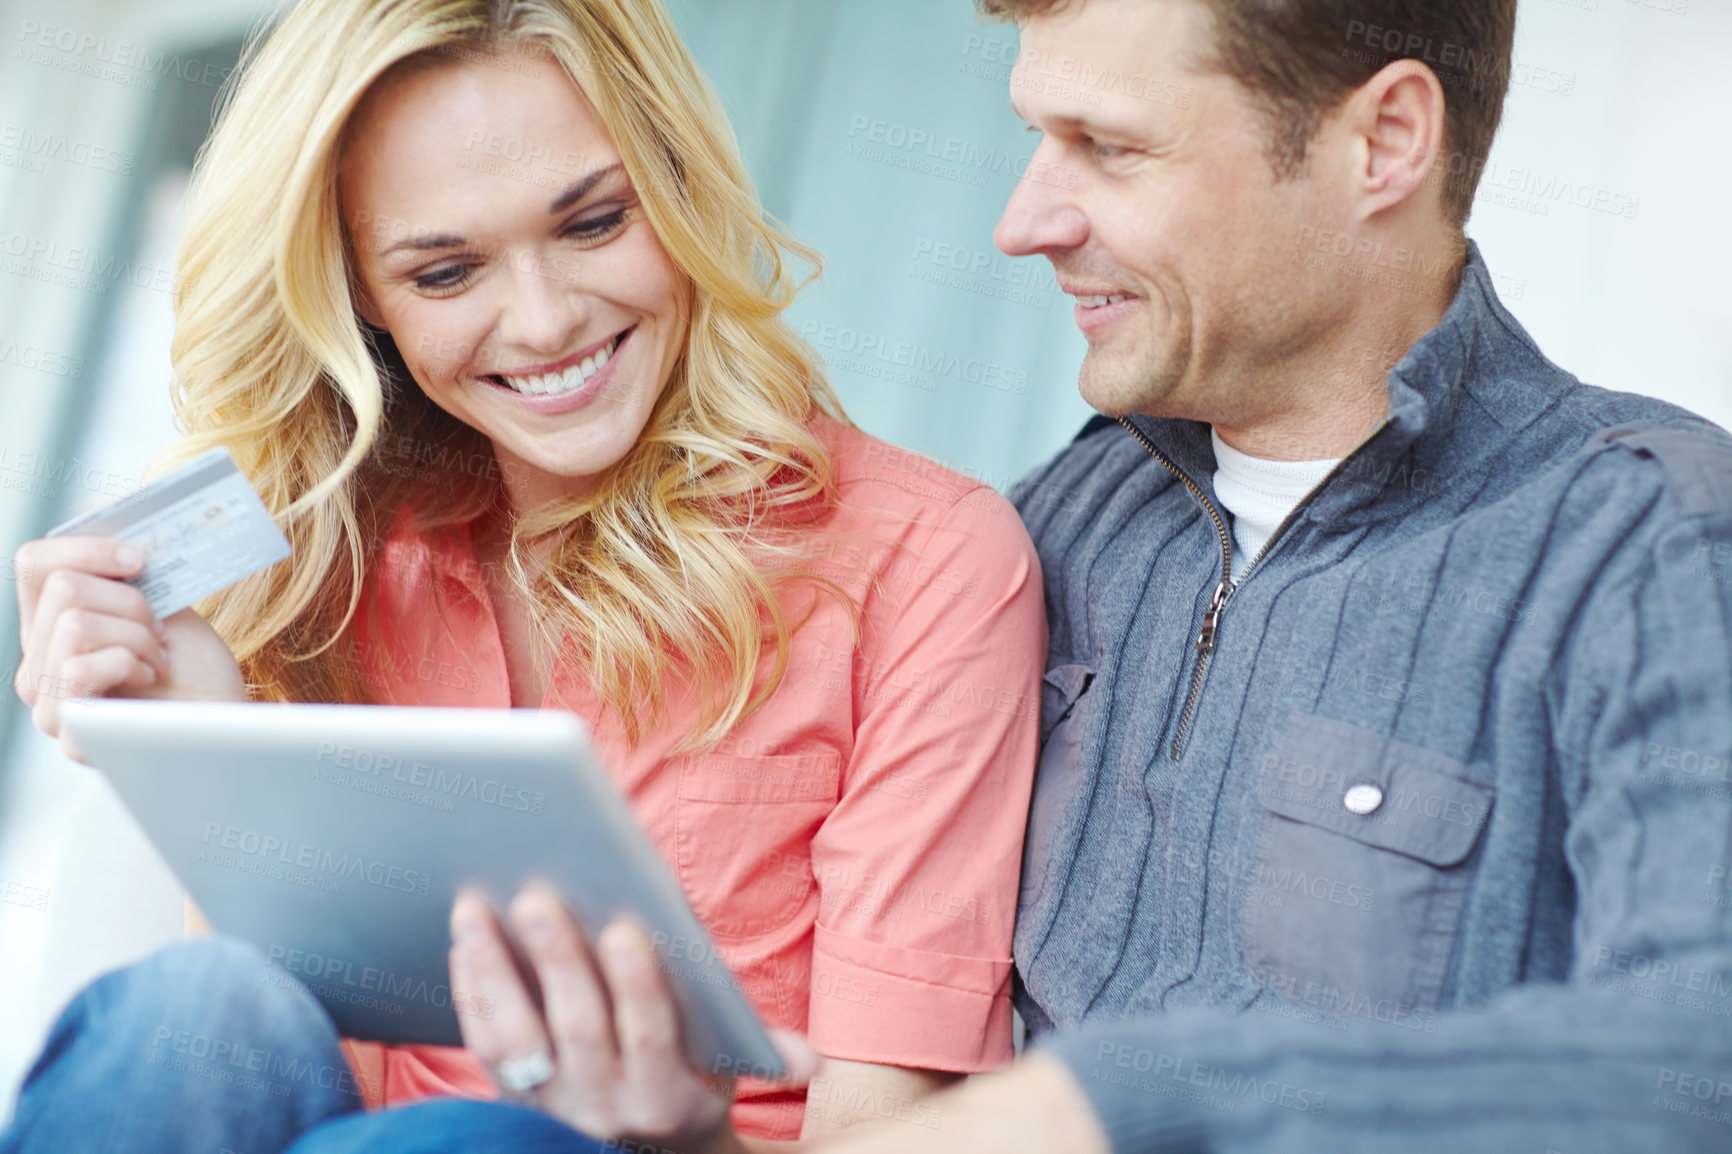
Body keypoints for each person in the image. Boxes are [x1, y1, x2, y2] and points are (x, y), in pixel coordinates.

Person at [1, 0, 1046, 1150]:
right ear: (363, 301)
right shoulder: (347, 552)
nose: (546, 321)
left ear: (679, 186)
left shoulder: (924, 560)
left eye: (594, 222)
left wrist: (679, 1135)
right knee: (187, 1008)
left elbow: (885, 1137)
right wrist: (210, 740)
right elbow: (262, 1080)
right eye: (446, 272)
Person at [797, 0, 1732, 1151]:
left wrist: (1124, 1098)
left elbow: (1699, 1066)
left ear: (1384, 140)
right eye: (1038, 138)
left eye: (1112, 148)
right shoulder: (1050, 523)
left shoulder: (1658, 539)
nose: (1022, 220)